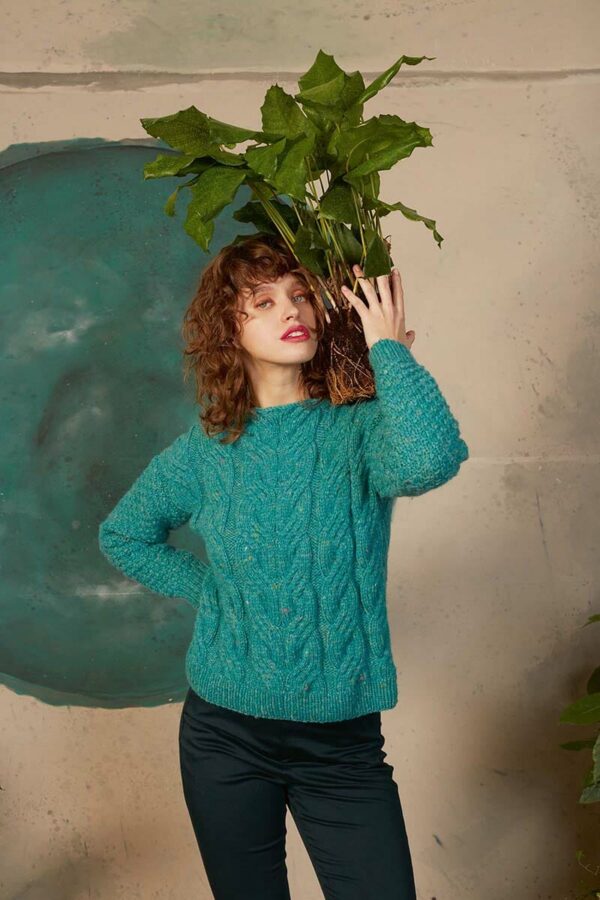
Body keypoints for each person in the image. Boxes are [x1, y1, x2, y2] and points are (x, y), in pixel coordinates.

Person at [98, 233, 469, 899]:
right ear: (228, 329)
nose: (291, 310)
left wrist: (387, 350)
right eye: (263, 301)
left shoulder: (359, 428)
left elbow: (430, 460)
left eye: (301, 295)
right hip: (224, 737)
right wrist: (216, 594)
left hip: (342, 747)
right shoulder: (207, 449)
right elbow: (125, 535)